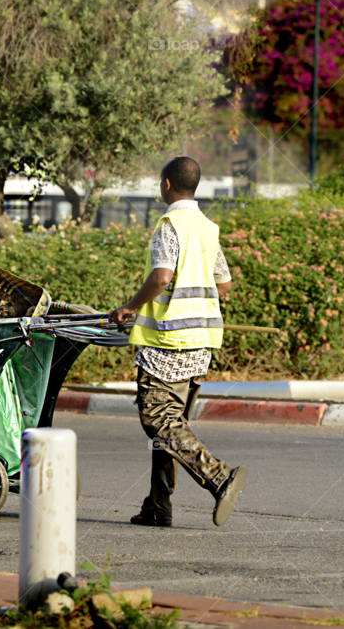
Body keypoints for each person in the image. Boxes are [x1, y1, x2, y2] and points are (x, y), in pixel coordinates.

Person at [110, 156, 247, 528]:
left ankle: (219, 477)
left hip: (168, 340)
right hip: (200, 341)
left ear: (166, 184)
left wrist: (130, 307)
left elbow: (161, 277)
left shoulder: (169, 225)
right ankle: (158, 507)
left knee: (158, 420)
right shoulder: (207, 228)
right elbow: (224, 285)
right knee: (169, 426)